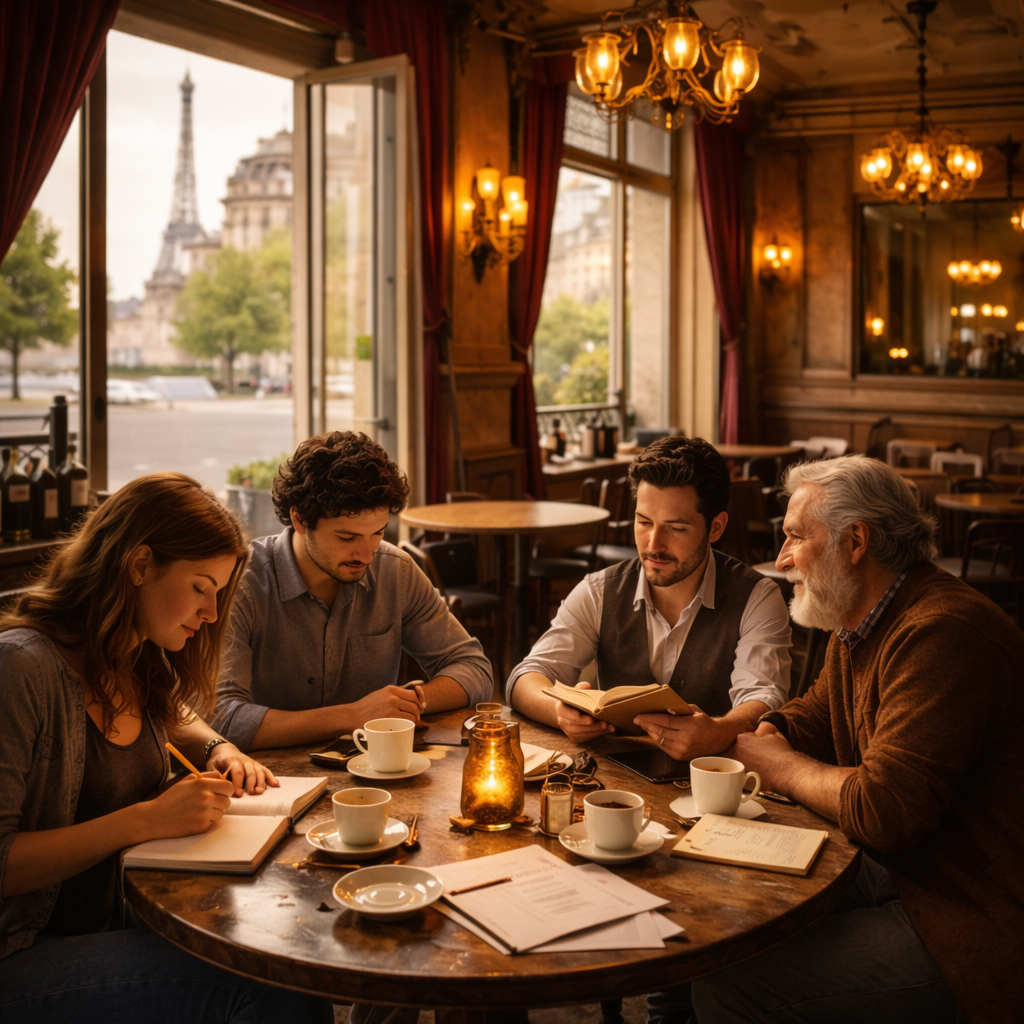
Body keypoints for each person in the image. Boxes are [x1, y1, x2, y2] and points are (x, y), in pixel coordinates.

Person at [689, 455, 1024, 1024]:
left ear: (856, 542)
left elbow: (885, 811)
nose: (782, 558)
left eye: (796, 537)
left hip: (973, 918)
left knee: (729, 984)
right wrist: (771, 731)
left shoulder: (941, 633)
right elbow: (821, 713)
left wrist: (780, 766)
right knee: (719, 911)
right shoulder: (864, 616)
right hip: (912, 870)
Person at [0, 473, 331, 1024]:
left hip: (114, 919)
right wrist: (146, 819)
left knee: (292, 951)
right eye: (201, 588)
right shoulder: (20, 667)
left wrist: (220, 748)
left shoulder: (133, 657)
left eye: (219, 593)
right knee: (266, 987)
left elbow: (176, 714)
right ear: (139, 565)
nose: (211, 612)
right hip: (21, 951)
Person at [507, 436, 792, 760]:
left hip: (715, 780)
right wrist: (559, 712)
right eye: (644, 522)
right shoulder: (599, 591)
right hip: (612, 781)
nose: (653, 545)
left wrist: (719, 731)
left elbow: (764, 698)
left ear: (716, 527)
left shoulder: (756, 597)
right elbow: (526, 677)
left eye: (675, 528)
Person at [212, 431, 493, 750]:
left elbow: (475, 669)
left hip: (376, 767)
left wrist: (408, 701)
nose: (367, 555)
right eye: (347, 538)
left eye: (378, 533)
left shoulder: (395, 571)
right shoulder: (242, 583)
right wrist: (352, 716)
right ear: (299, 519)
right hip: (268, 774)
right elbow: (222, 718)